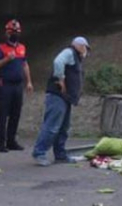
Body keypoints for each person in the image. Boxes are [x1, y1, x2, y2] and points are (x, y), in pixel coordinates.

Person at [32, 36, 90, 166]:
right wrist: (60, 79)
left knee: (63, 128)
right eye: (85, 47)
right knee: (52, 126)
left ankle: (60, 155)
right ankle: (39, 153)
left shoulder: (76, 58)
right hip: (57, 95)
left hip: (65, 98)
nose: (86, 51)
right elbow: (58, 62)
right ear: (80, 46)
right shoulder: (69, 52)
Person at [0, 19, 33, 153]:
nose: (14, 34)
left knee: (16, 113)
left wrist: (29, 82)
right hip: (4, 84)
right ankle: (0, 144)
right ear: (7, 33)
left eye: (17, 32)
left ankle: (11, 141)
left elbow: (25, 64)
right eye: (12, 32)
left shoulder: (21, 48)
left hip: (18, 85)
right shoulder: (0, 48)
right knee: (3, 114)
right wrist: (7, 59)